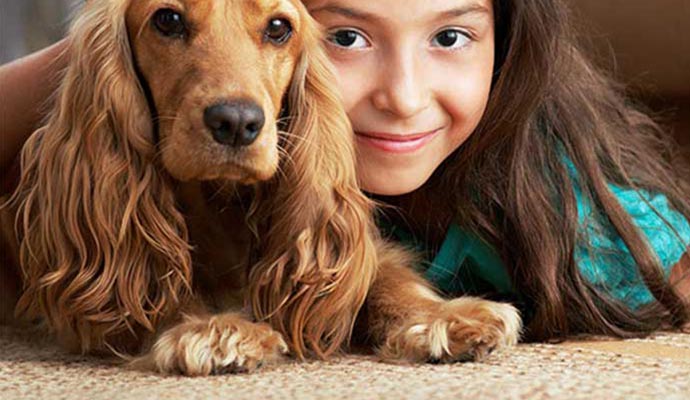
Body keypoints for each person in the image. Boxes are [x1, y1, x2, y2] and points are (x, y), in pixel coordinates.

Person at [2, 0, 689, 342]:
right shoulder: (121, 74)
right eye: (348, 38)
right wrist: (100, 47)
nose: (405, 96)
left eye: (450, 37)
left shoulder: (559, 209)